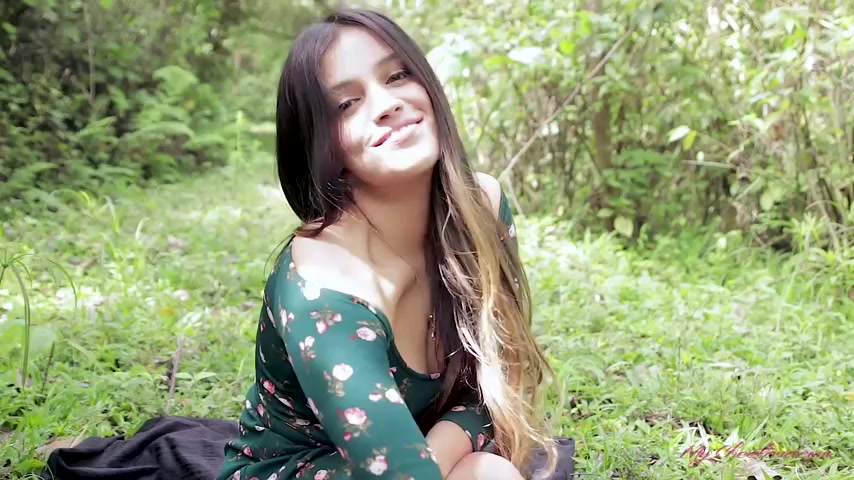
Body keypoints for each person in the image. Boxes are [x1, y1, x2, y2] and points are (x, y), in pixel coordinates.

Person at [218, 7, 557, 480]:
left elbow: (503, 380)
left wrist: (439, 448)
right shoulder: (324, 286)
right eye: (346, 104)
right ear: (320, 146)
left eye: (397, 76)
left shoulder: (481, 209)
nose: (386, 104)